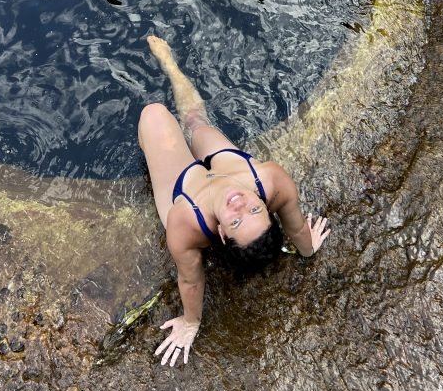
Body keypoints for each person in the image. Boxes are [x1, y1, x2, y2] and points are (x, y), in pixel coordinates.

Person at [139, 35, 331, 367]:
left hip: (185, 193)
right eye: (255, 209)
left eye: (237, 220)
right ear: (265, 203)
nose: (239, 203)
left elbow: (191, 277)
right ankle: (171, 66)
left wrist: (191, 322)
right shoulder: (269, 180)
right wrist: (307, 248)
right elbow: (296, 224)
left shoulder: (186, 225)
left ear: (223, 234)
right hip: (230, 167)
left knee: (154, 115)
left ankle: (164, 128)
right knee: (197, 123)